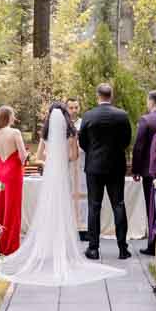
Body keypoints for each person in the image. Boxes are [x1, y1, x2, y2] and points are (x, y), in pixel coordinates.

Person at [0, 103, 124, 285]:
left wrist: (51, 158)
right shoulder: (71, 134)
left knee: (48, 207)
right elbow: (74, 156)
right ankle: (63, 247)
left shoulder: (45, 135)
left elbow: (39, 156)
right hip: (63, 175)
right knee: (63, 208)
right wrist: (62, 156)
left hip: (50, 174)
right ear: (65, 116)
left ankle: (46, 246)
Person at [78, 84, 134, 261]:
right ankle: (123, 249)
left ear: (98, 96)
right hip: (116, 166)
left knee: (94, 206)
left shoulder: (88, 115)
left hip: (94, 166)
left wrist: (93, 153)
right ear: (112, 95)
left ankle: (93, 248)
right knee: (119, 204)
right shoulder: (122, 115)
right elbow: (126, 140)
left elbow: (83, 142)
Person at [132, 89, 156, 255]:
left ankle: (153, 243)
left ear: (151, 102)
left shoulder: (146, 120)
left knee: (152, 208)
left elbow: (139, 147)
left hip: (150, 172)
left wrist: (136, 169)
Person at [0, 106, 27, 256]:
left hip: (0, 171)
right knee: (13, 208)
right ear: (8, 117)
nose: (14, 117)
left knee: (1, 206)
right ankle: (10, 245)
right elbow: (23, 156)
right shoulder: (15, 132)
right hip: (13, 172)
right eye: (12, 115)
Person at [66, 96, 87, 229]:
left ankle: (83, 226)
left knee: (83, 192)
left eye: (76, 107)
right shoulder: (63, 124)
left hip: (82, 160)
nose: (74, 110)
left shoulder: (84, 123)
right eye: (71, 107)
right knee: (68, 191)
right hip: (68, 161)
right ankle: (69, 224)